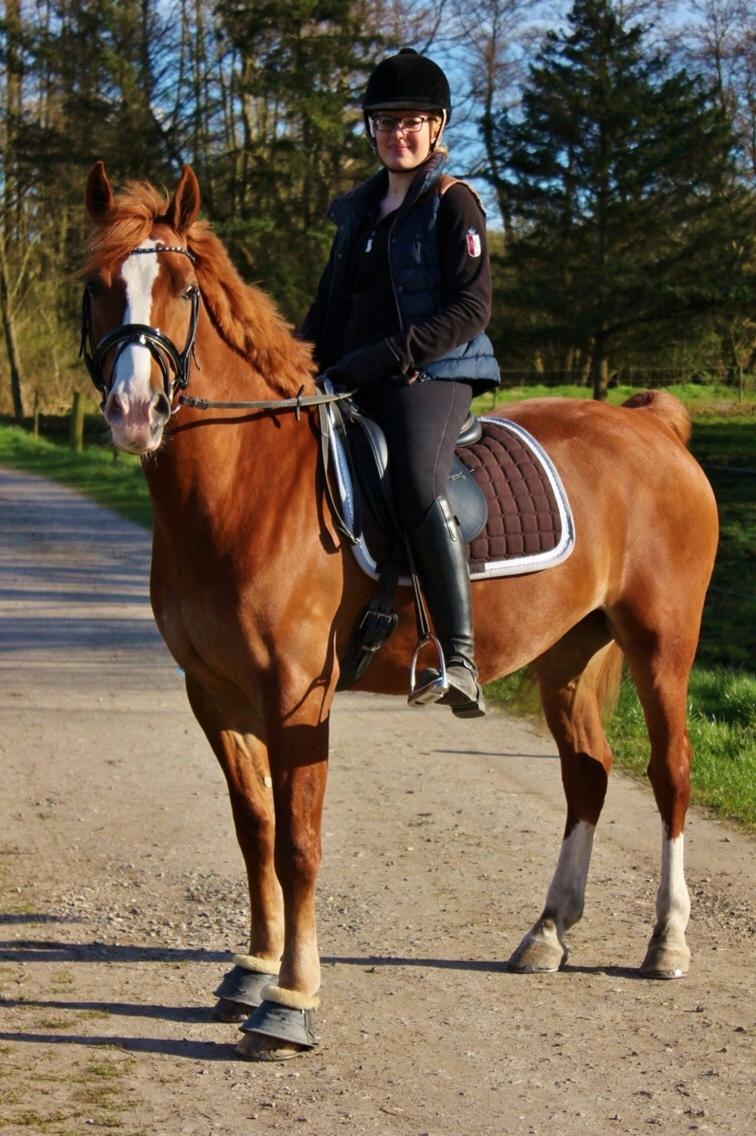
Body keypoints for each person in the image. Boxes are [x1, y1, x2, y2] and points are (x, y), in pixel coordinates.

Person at [301, 48, 500, 717]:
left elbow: (472, 309)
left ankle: (460, 655)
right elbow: (326, 310)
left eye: (412, 121)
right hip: (356, 373)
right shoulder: (354, 212)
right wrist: (293, 360)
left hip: (434, 373)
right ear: (371, 131)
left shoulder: (454, 204)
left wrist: (389, 353)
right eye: (385, 122)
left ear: (437, 128)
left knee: (416, 477)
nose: (398, 133)